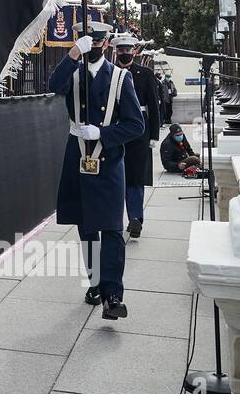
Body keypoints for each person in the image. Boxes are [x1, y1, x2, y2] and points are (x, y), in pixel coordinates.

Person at [48, 21, 144, 319]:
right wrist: (72, 54)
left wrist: (102, 132)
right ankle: (96, 283)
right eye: (86, 42)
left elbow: (135, 125)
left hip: (108, 161)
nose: (93, 47)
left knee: (112, 229)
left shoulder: (120, 77)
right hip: (77, 158)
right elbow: (53, 86)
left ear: (105, 44)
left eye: (96, 43)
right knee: (87, 227)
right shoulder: (73, 73)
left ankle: (113, 294)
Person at [112, 34, 161, 239]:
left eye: (128, 50)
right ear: (116, 51)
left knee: (135, 178)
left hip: (139, 130)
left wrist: (154, 134)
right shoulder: (110, 72)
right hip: (114, 128)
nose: (125, 53)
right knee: (115, 177)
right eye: (121, 50)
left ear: (134, 51)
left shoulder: (145, 73)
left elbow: (153, 104)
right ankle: (114, 220)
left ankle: (135, 219)